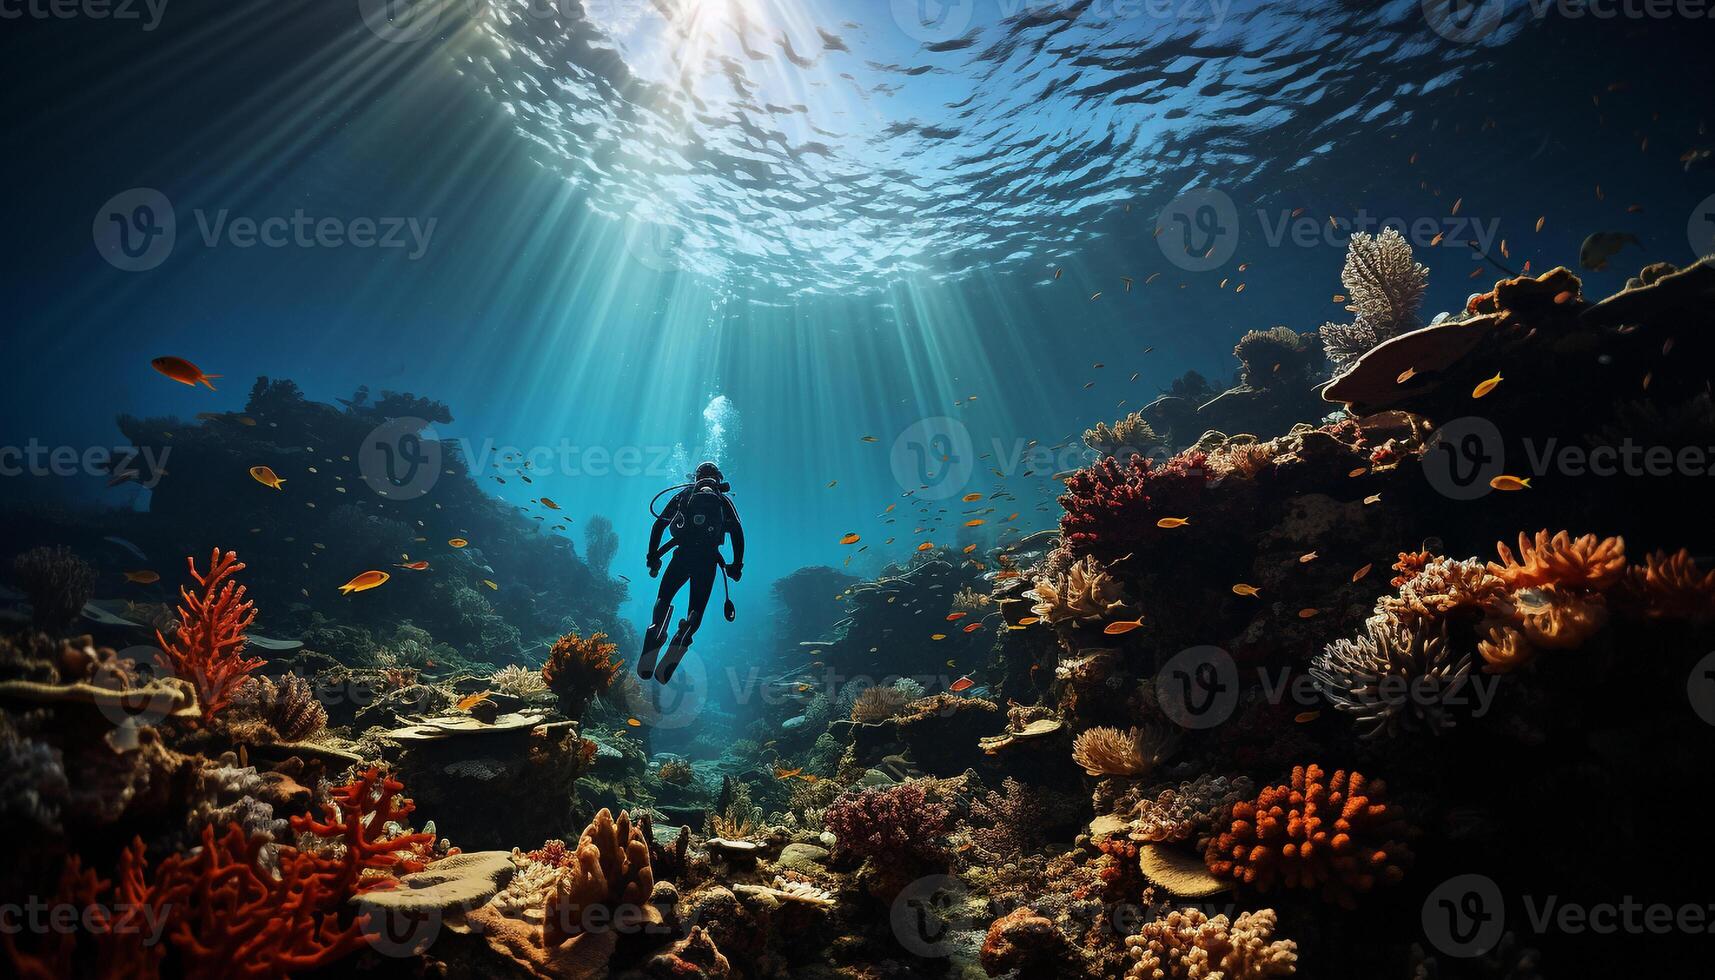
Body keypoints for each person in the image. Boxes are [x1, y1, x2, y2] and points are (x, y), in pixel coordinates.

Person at [639, 461, 744, 683]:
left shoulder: (684, 495)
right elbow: (737, 531)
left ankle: (656, 628)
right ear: (718, 479)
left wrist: (652, 557)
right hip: (707, 561)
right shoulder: (723, 500)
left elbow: (658, 526)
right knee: (695, 610)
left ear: (695, 477)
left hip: (681, 556)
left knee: (663, 598)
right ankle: (683, 635)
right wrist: (736, 566)